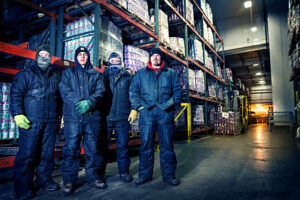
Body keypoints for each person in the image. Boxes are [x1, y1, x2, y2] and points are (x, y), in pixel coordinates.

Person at [10, 44, 60, 199]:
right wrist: (17, 114)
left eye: (47, 54)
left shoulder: (54, 76)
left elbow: (59, 99)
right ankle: (22, 187)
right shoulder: (25, 74)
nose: (44, 56)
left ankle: (44, 180)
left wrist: (60, 116)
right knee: (27, 154)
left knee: (46, 154)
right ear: (37, 56)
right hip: (32, 121)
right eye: (42, 54)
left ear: (50, 58)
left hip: (50, 121)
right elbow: (16, 94)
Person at [129, 47, 182, 186]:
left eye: (158, 56)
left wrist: (170, 106)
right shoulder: (140, 74)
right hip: (147, 114)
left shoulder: (171, 73)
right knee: (146, 145)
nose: (156, 58)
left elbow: (177, 91)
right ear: (150, 58)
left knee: (167, 145)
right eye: (153, 56)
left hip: (165, 114)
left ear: (161, 58)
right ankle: (144, 175)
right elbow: (133, 91)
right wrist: (138, 107)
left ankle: (169, 175)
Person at [59, 46, 106, 195]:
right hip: (73, 117)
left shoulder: (97, 74)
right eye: (79, 55)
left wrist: (90, 102)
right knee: (71, 149)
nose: (82, 57)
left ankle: (93, 177)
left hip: (92, 118)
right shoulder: (68, 73)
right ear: (76, 57)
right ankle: (69, 180)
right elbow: (64, 90)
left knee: (93, 149)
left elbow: (101, 91)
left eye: (84, 54)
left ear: (88, 57)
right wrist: (80, 102)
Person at [101, 52, 134, 183]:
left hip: (123, 116)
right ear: (109, 62)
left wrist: (133, 109)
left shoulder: (127, 77)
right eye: (112, 60)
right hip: (107, 116)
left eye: (117, 60)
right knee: (102, 146)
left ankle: (124, 172)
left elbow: (133, 94)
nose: (115, 62)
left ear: (121, 62)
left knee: (123, 146)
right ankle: (100, 173)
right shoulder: (103, 77)